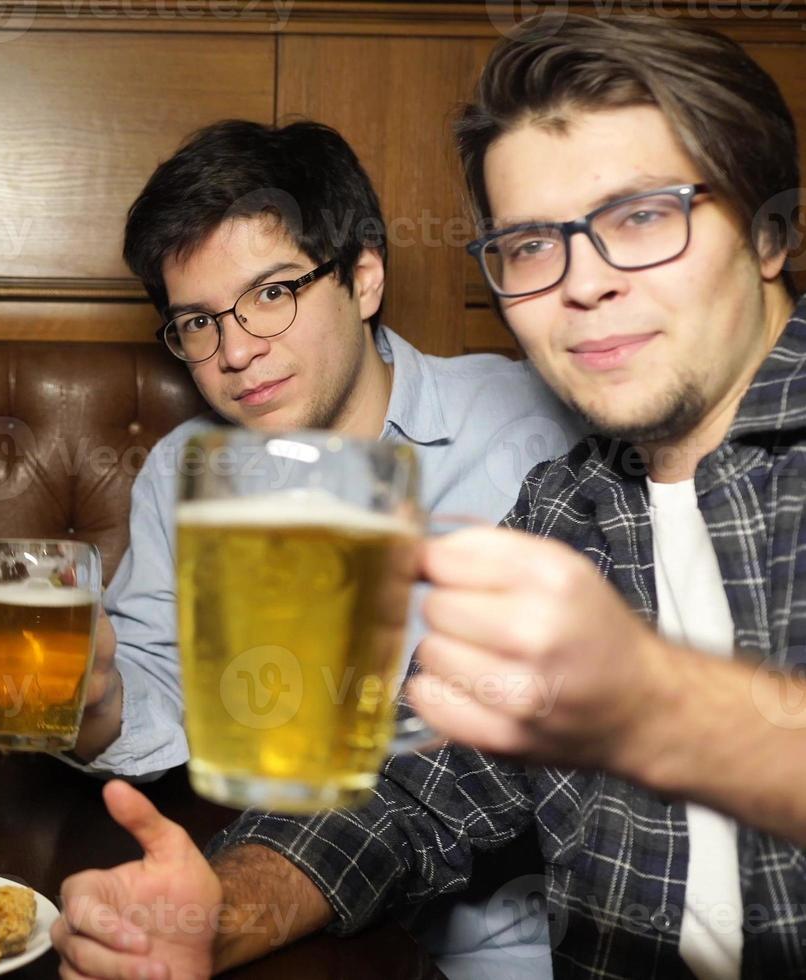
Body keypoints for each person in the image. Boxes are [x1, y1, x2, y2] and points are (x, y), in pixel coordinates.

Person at [53, 15, 806, 980]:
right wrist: (221, 911)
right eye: (532, 245)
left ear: (772, 230)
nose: (583, 283)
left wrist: (656, 704)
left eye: (642, 217)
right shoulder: (574, 503)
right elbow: (416, 799)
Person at [62, 119, 582, 976]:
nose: (234, 352)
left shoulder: (538, 426)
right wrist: (95, 701)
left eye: (272, 294)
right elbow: (151, 688)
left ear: (365, 277)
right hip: (274, 909)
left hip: (507, 950)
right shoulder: (185, 471)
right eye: (196, 321)